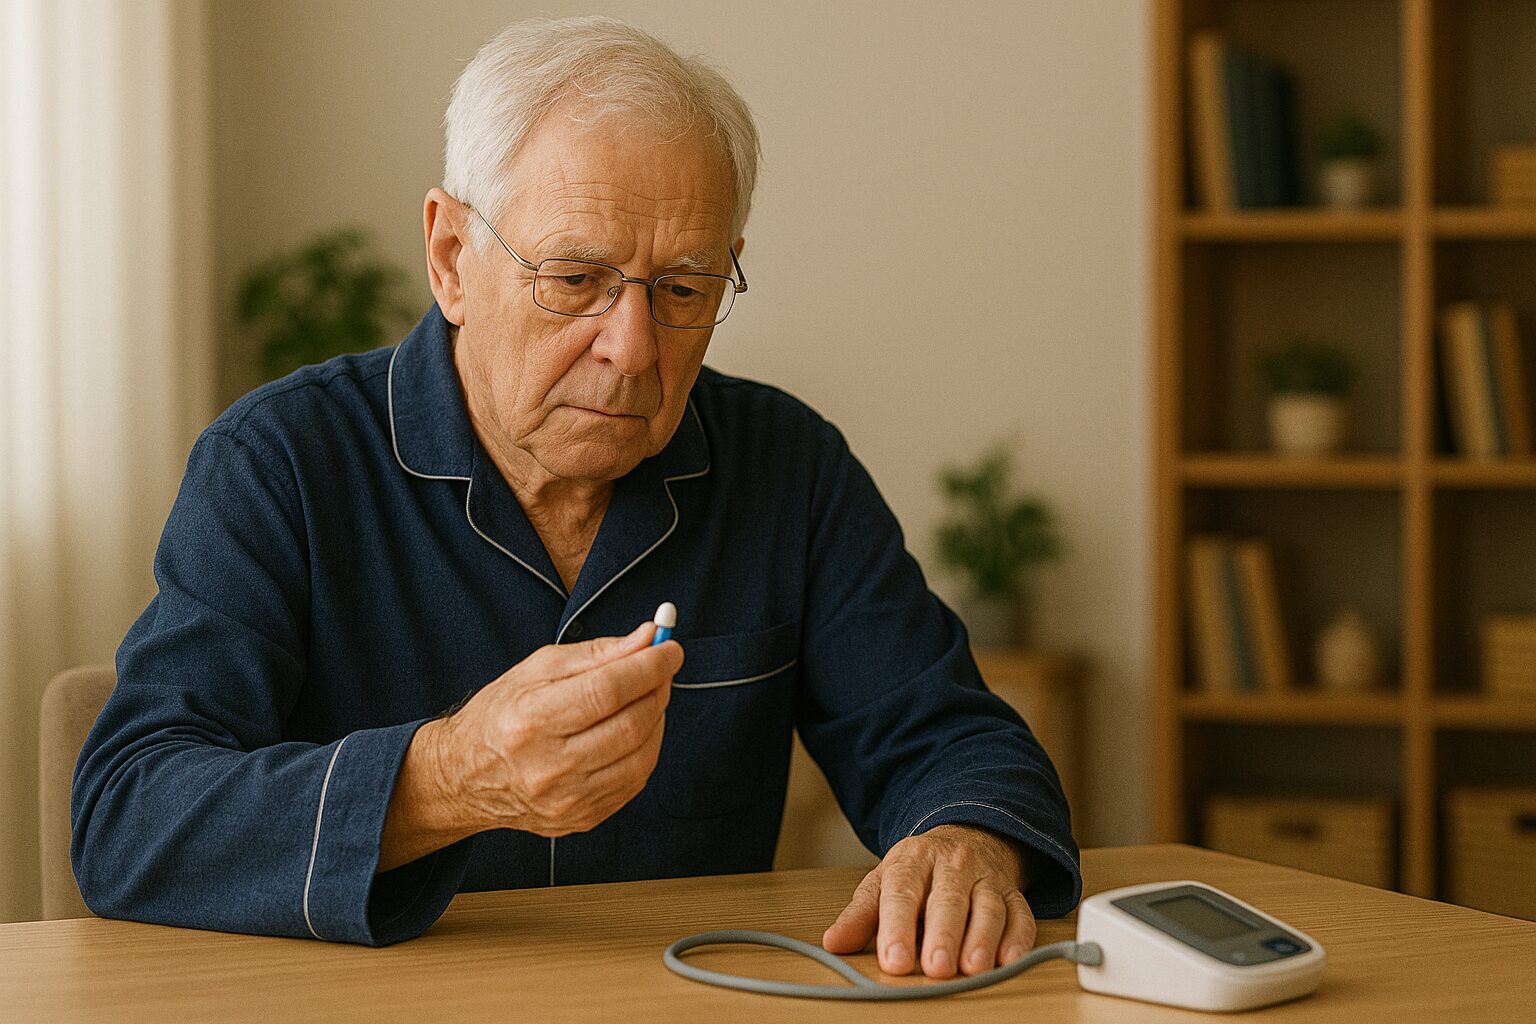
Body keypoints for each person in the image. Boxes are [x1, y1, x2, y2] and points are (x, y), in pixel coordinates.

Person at [72, 16, 1079, 979]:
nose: (632, 347)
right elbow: (129, 814)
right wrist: (449, 775)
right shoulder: (280, 462)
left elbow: (954, 736)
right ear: (450, 257)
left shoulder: (788, 466)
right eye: (576, 278)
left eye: (684, 289)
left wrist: (970, 838)